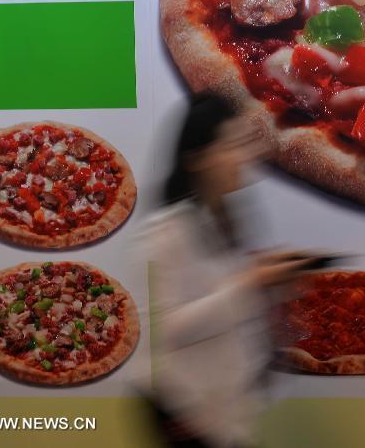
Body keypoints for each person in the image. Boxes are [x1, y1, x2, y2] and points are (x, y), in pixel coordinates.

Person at [132, 93, 316, 448]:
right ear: (198, 158)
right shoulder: (162, 234)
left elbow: (223, 300)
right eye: (232, 145)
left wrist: (270, 288)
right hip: (184, 415)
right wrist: (251, 282)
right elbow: (165, 329)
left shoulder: (227, 219)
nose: (245, 158)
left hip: (224, 415)